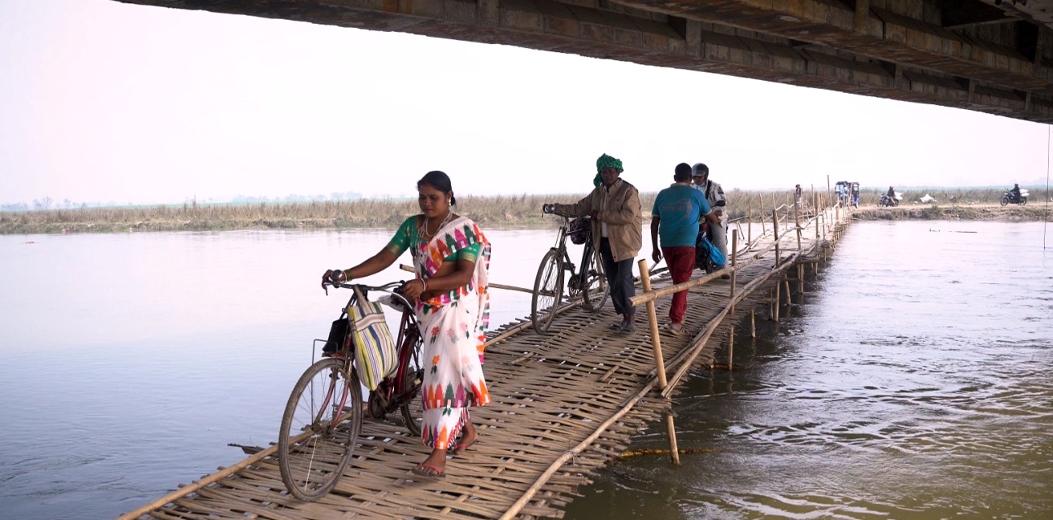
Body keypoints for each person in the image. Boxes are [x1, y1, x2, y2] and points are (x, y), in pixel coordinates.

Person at [322, 170, 491, 479]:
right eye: (422, 197)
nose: (427, 203)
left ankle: (438, 454)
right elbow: (386, 257)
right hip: (426, 307)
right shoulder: (414, 226)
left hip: (453, 310)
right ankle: (467, 431)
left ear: (449, 196)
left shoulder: (464, 231)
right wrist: (346, 274)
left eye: (434, 198)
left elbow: (465, 275)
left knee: (441, 378)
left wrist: (424, 283)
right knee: (447, 368)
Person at [546, 153, 642, 334]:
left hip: (624, 243)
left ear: (618, 172)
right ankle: (623, 316)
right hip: (604, 242)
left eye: (610, 172)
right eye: (604, 172)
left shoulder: (628, 191)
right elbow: (579, 207)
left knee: (624, 279)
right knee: (613, 281)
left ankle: (631, 319)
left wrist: (601, 215)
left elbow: (628, 216)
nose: (607, 175)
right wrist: (556, 208)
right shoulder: (597, 193)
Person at [651, 163, 716, 335]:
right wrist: (717, 219)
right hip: (686, 244)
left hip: (666, 244)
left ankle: (680, 314)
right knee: (681, 282)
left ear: (674, 178)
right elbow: (711, 217)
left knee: (679, 280)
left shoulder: (662, 195)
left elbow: (654, 222)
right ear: (690, 179)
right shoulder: (695, 194)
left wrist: (654, 247)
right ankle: (676, 321)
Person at [690, 163, 728, 270]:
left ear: (706, 175)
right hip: (699, 218)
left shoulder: (715, 187)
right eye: (694, 177)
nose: (696, 179)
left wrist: (711, 212)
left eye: (699, 176)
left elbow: (722, 202)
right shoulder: (691, 188)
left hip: (716, 217)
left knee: (719, 240)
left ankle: (723, 268)